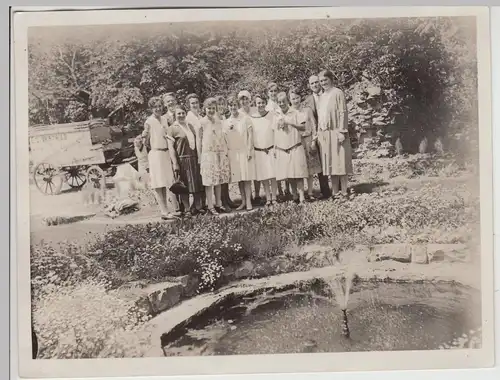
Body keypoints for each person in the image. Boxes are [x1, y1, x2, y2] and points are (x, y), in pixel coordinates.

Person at [142, 97, 181, 220]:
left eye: (159, 106)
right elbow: (145, 142)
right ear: (151, 109)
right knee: (159, 184)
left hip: (165, 153)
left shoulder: (165, 119)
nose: (158, 109)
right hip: (156, 154)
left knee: (166, 182)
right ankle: (164, 211)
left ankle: (169, 210)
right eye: (155, 107)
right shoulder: (149, 121)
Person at [317, 69, 353, 197]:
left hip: (337, 132)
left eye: (325, 80)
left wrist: (342, 131)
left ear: (331, 79)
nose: (323, 83)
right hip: (326, 133)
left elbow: (343, 112)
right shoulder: (322, 96)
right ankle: (335, 191)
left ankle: (344, 191)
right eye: (321, 81)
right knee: (331, 163)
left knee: (341, 162)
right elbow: (321, 116)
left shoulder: (338, 93)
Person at [167, 106, 205, 216]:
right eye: (179, 113)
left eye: (183, 113)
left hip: (193, 158)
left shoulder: (190, 126)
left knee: (195, 184)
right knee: (184, 186)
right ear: (175, 115)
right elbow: (171, 148)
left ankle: (197, 207)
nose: (181, 115)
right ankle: (187, 209)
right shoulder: (172, 128)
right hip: (182, 160)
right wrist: (175, 163)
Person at [197, 97, 231, 215]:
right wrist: (199, 156)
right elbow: (199, 140)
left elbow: (222, 137)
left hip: (219, 153)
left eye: (213, 108)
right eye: (208, 108)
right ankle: (210, 206)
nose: (211, 110)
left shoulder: (218, 121)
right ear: (204, 109)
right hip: (207, 154)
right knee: (209, 181)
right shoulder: (201, 122)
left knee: (218, 181)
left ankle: (218, 204)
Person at [289, 86, 322, 201]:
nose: (295, 101)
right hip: (296, 143)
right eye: (293, 98)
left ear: (300, 98)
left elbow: (313, 126)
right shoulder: (289, 112)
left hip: (308, 140)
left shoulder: (307, 110)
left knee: (310, 169)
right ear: (290, 100)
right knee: (298, 169)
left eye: (297, 98)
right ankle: (298, 193)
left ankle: (310, 192)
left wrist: (314, 141)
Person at [274, 92, 308, 204]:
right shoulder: (276, 115)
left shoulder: (295, 112)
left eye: (283, 101)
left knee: (298, 173)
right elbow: (274, 132)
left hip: (295, 145)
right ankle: (294, 196)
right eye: (279, 102)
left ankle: (302, 196)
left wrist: (291, 122)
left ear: (288, 101)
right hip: (283, 148)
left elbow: (303, 127)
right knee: (289, 175)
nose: (282, 104)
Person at [225, 95, 256, 211]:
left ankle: (248, 201)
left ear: (238, 106)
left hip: (244, 151)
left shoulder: (245, 118)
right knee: (239, 178)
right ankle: (243, 201)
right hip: (233, 152)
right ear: (228, 107)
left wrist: (249, 149)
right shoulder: (227, 121)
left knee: (246, 177)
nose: (233, 107)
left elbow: (250, 135)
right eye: (230, 105)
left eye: (234, 105)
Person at [304, 75, 331, 199]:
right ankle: (325, 191)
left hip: (329, 132)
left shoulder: (328, 95)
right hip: (316, 134)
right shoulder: (307, 100)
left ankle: (339, 188)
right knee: (320, 163)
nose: (315, 85)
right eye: (312, 83)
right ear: (309, 86)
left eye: (316, 82)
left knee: (332, 160)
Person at [251, 93, 278, 206]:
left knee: (273, 175)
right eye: (258, 103)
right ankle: (268, 198)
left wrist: (276, 147)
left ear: (266, 103)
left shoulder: (272, 115)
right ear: (255, 104)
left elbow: (276, 132)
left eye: (262, 102)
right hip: (259, 151)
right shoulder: (252, 118)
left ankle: (274, 198)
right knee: (264, 176)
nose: (260, 105)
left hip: (271, 149)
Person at [185, 93, 208, 211]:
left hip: (205, 148)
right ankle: (197, 204)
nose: (195, 105)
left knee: (203, 177)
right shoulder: (188, 118)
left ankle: (203, 203)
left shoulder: (199, 116)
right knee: (197, 178)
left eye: (196, 103)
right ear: (188, 105)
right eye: (192, 103)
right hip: (195, 151)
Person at [216, 94, 237, 209]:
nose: (221, 107)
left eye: (222, 104)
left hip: (226, 149)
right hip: (218, 150)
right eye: (218, 105)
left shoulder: (225, 118)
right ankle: (222, 201)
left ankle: (227, 198)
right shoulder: (215, 119)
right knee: (220, 177)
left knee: (226, 176)